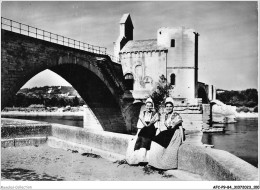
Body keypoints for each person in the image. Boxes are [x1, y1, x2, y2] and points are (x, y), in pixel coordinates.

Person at [147, 97, 185, 170]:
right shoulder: (166, 116)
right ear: (165, 107)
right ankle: (154, 162)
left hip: (175, 134)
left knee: (162, 141)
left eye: (170, 106)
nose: (168, 108)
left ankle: (162, 164)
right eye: (167, 106)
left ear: (173, 107)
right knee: (155, 140)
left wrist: (182, 140)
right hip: (169, 133)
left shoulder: (176, 114)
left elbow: (180, 124)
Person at [126, 97, 159, 165]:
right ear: (145, 106)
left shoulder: (155, 113)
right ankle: (139, 158)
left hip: (151, 129)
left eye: (150, 106)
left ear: (152, 106)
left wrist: (155, 130)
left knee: (146, 139)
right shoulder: (143, 113)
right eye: (147, 106)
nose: (148, 108)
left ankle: (145, 159)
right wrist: (145, 126)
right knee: (140, 137)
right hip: (144, 128)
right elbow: (142, 122)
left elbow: (155, 123)